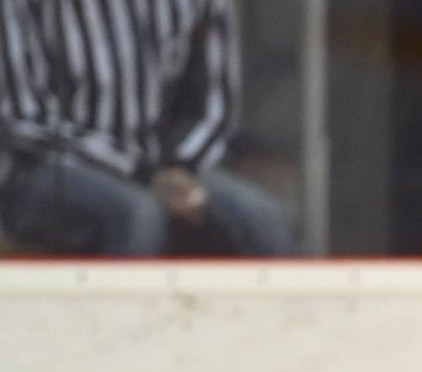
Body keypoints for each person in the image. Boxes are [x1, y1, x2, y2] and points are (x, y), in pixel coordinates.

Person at [0, 0, 293, 256]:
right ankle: (117, 321)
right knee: (137, 214)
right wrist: (142, 173)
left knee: (262, 218)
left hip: (166, 167)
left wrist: (178, 166)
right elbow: (23, 117)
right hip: (43, 171)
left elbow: (214, 104)